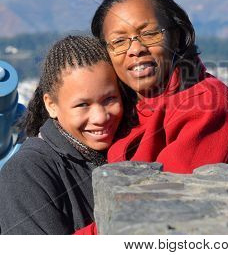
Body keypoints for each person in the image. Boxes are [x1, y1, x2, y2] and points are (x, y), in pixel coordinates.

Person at [91, 0, 228, 173]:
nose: (136, 49)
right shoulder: (114, 106)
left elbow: (171, 194)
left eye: (149, 34)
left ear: (175, 37)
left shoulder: (206, 103)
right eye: (118, 41)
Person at [0, 36, 136, 234]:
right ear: (51, 105)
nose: (100, 117)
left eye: (109, 99)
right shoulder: (26, 173)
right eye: (83, 105)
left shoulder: (129, 144)